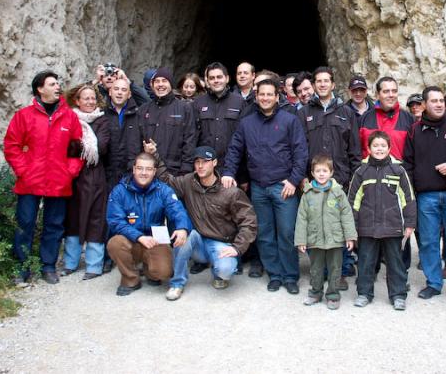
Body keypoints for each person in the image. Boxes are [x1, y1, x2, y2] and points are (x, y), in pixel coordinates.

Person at [222, 79, 308, 294]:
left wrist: (294, 180)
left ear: (277, 97)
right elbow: (235, 150)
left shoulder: (289, 120)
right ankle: (275, 274)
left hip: (283, 187)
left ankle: (290, 276)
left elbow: (301, 152)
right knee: (264, 234)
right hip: (259, 187)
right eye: (262, 94)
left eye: (270, 94)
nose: (266, 98)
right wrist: (228, 172)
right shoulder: (247, 123)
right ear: (256, 96)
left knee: (287, 233)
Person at [3, 70, 84, 284]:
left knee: (54, 225)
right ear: (40, 89)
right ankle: (23, 267)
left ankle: (48, 266)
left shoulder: (69, 117)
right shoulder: (24, 116)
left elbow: (76, 149)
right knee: (25, 223)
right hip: (30, 181)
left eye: (58, 83)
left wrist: (70, 172)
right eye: (52, 84)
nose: (58, 87)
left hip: (59, 180)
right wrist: (23, 170)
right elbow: (12, 146)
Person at [152, 146, 258, 300]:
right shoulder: (189, 182)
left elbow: (249, 221)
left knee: (225, 270)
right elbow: (167, 180)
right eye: (197, 162)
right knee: (182, 236)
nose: (200, 166)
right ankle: (177, 283)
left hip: (221, 242)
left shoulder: (229, 191)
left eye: (205, 161)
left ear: (214, 163)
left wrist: (237, 247)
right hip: (198, 240)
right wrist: (154, 154)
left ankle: (218, 272)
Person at [402, 87, 446, 306]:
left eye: (441, 101)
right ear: (424, 105)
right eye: (434, 101)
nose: (439, 104)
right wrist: (410, 193)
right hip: (426, 196)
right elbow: (408, 162)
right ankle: (433, 283)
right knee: (428, 242)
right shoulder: (415, 130)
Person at [297, 66, 361, 288]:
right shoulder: (304, 113)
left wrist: (352, 179)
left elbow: (354, 149)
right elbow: (299, 148)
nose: (323, 84)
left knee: (338, 226)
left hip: (340, 180)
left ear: (333, 84)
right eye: (319, 81)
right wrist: (302, 177)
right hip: (312, 182)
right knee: (315, 225)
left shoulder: (347, 112)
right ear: (314, 85)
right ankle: (321, 271)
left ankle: (340, 271)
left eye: (326, 81)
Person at [106, 153, 192, 296]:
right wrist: (139, 237)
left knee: (165, 272)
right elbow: (115, 221)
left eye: (148, 169)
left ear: (154, 171)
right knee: (114, 244)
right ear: (134, 169)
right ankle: (131, 279)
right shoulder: (119, 191)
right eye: (140, 168)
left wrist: (182, 228)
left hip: (155, 239)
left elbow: (177, 210)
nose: (143, 173)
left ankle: (150, 271)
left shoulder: (163, 190)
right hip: (130, 238)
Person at [349, 131, 416, 310]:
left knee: (395, 262)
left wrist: (410, 223)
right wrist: (352, 227)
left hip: (392, 226)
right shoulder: (361, 172)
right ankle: (364, 293)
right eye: (375, 146)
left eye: (383, 146)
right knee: (365, 261)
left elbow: (408, 199)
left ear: (389, 148)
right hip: (367, 227)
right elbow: (353, 201)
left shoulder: (398, 171)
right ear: (369, 148)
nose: (379, 149)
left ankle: (398, 295)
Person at [295, 154, 357, 310]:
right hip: (315, 239)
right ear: (312, 173)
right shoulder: (307, 194)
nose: (321, 174)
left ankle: (333, 295)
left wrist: (350, 236)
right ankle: (315, 293)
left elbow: (347, 215)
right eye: (318, 171)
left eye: (325, 171)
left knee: (335, 268)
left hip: (335, 239)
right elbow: (302, 219)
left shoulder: (338, 193)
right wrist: (301, 240)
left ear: (331, 172)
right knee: (316, 269)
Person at [62, 84, 110, 280]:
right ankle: (70, 263)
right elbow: (63, 145)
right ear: (77, 101)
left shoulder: (102, 120)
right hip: (74, 176)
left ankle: (94, 265)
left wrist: (76, 145)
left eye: (93, 98)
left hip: (95, 176)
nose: (90, 102)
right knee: (72, 219)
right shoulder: (69, 119)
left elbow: (103, 147)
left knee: (96, 219)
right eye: (86, 98)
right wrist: (79, 146)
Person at [129, 67, 196, 176]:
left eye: (164, 81)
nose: (160, 84)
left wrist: (185, 172)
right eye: (157, 81)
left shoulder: (184, 109)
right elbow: (135, 143)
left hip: (174, 172)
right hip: (147, 171)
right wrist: (133, 167)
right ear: (152, 85)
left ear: (171, 84)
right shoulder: (143, 110)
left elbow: (189, 142)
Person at [195, 62, 247, 163]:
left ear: (227, 78)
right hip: (205, 163)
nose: (216, 81)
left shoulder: (239, 102)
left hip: (232, 163)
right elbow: (192, 136)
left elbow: (244, 136)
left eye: (219, 77)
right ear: (207, 81)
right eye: (212, 78)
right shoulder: (198, 103)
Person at [358, 76, 414, 161]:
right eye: (386, 91)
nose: (391, 95)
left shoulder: (409, 119)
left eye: (394, 91)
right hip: (369, 168)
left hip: (400, 169)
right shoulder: (364, 119)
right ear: (377, 95)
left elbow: (416, 152)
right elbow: (356, 151)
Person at [102, 77, 140, 193]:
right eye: (116, 89)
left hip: (131, 174)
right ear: (110, 92)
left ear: (129, 94)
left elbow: (147, 99)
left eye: (124, 90)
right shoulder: (101, 113)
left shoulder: (138, 114)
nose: (119, 92)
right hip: (106, 174)